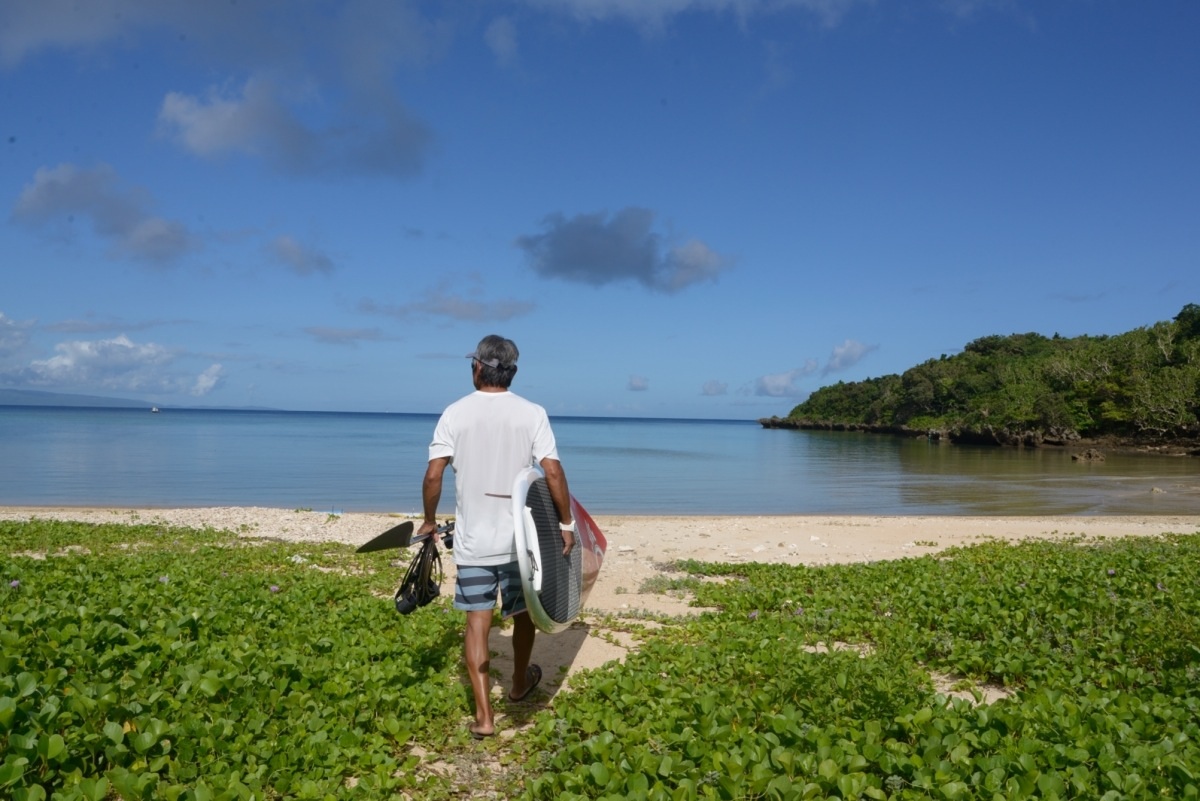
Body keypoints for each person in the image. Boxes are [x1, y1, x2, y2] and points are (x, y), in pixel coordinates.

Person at [417, 334, 575, 739]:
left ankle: (485, 718)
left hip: (474, 545)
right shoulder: (532, 413)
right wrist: (566, 524)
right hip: (520, 544)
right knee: (523, 615)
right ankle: (519, 684)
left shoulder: (455, 413)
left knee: (477, 623)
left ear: (477, 368)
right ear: (512, 372)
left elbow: (434, 474)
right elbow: (552, 472)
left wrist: (429, 520)